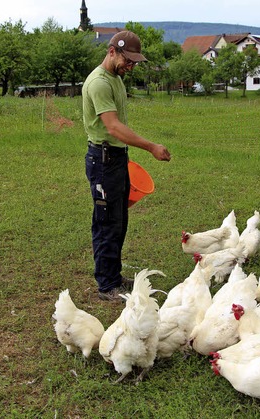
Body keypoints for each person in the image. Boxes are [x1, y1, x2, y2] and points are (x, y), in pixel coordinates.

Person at [82, 30, 171, 302]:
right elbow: (113, 126)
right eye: (127, 60)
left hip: (116, 157)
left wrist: (125, 155)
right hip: (103, 160)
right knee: (107, 222)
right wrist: (151, 147)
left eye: (134, 62)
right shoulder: (99, 82)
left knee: (119, 221)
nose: (130, 66)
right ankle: (107, 285)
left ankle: (114, 276)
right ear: (111, 51)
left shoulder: (116, 78)